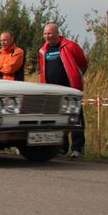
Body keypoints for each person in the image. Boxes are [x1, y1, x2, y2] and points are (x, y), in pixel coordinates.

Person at [38, 23, 89, 158]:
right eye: (44, 34)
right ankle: (61, 147)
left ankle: (78, 148)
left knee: (75, 118)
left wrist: (76, 77)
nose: (47, 36)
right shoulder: (43, 50)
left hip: (70, 89)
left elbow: (83, 64)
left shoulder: (70, 46)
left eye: (49, 33)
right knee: (58, 119)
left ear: (57, 33)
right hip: (52, 90)